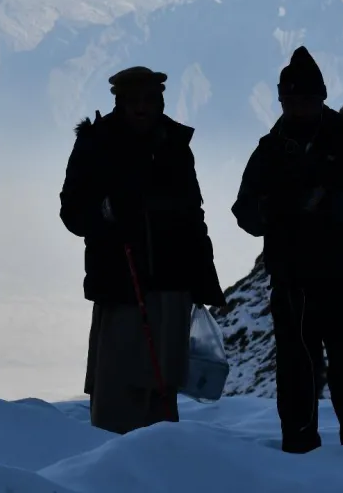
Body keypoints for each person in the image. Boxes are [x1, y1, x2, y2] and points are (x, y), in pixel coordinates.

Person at [231, 46, 343, 454]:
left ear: (321, 97)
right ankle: (299, 458)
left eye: (306, 99)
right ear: (282, 100)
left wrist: (329, 204)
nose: (298, 107)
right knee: (296, 377)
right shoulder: (270, 150)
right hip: (293, 285)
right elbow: (243, 211)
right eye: (291, 99)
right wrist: (272, 210)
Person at [60, 66, 227, 434]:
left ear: (160, 102)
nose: (141, 108)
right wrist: (105, 213)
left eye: (148, 100)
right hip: (120, 282)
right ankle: (113, 461)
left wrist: (204, 277)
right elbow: (72, 211)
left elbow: (192, 214)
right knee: (117, 383)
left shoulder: (174, 145)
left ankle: (159, 461)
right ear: (119, 102)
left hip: (171, 284)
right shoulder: (97, 143)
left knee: (160, 383)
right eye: (133, 101)